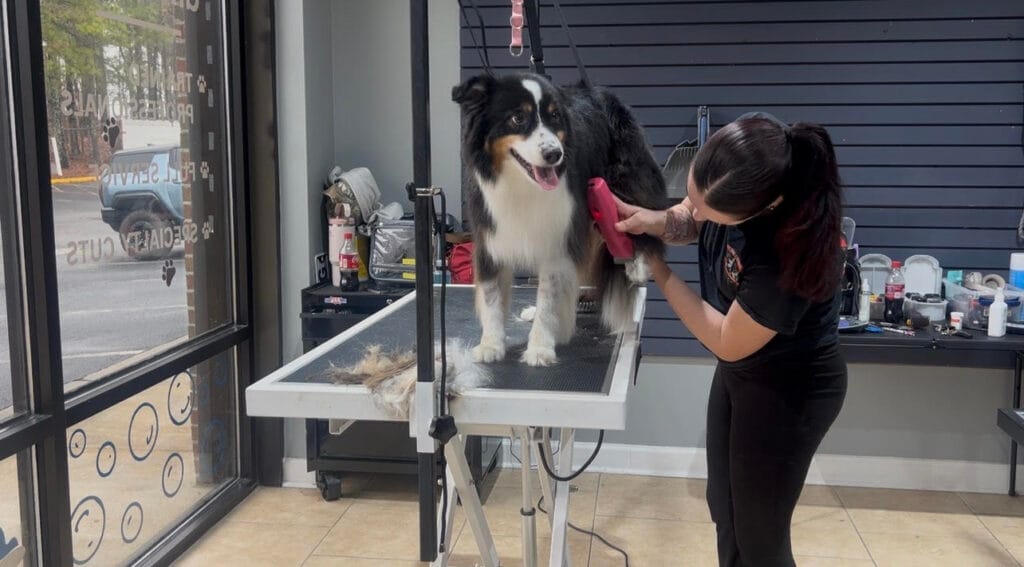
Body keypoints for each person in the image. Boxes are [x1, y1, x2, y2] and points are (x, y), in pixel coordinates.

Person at [613, 114, 848, 567]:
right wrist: (655, 221)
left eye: (706, 208)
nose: (693, 210)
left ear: (765, 206)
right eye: (694, 193)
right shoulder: (741, 172)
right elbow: (688, 216)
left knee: (761, 537)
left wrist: (656, 266)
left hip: (791, 388)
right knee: (724, 507)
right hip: (743, 374)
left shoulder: (786, 253)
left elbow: (724, 338)